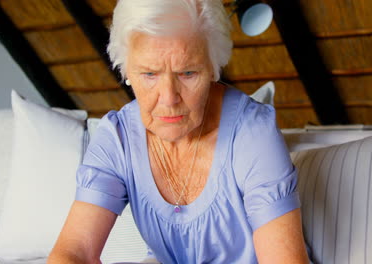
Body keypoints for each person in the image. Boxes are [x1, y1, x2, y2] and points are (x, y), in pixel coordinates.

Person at [48, 0, 310, 263]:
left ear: (212, 69)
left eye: (187, 73)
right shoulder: (118, 137)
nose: (169, 98)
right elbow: (74, 252)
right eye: (149, 74)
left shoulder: (253, 134)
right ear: (126, 71)